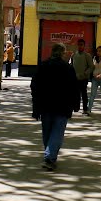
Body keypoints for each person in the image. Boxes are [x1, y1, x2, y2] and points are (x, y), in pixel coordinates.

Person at [30, 43, 80, 171]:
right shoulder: (68, 68)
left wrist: (36, 107)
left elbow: (34, 86)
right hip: (62, 106)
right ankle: (50, 156)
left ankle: (49, 155)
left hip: (45, 105)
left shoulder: (43, 66)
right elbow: (74, 88)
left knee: (47, 132)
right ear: (62, 53)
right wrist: (76, 104)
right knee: (57, 133)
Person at [70, 38, 94, 115]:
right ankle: (76, 107)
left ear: (84, 46)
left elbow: (91, 66)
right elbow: (71, 65)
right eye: (79, 45)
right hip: (75, 78)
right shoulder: (74, 55)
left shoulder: (87, 56)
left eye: (81, 45)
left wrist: (85, 73)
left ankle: (85, 108)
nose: (80, 46)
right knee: (75, 93)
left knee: (84, 93)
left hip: (83, 78)